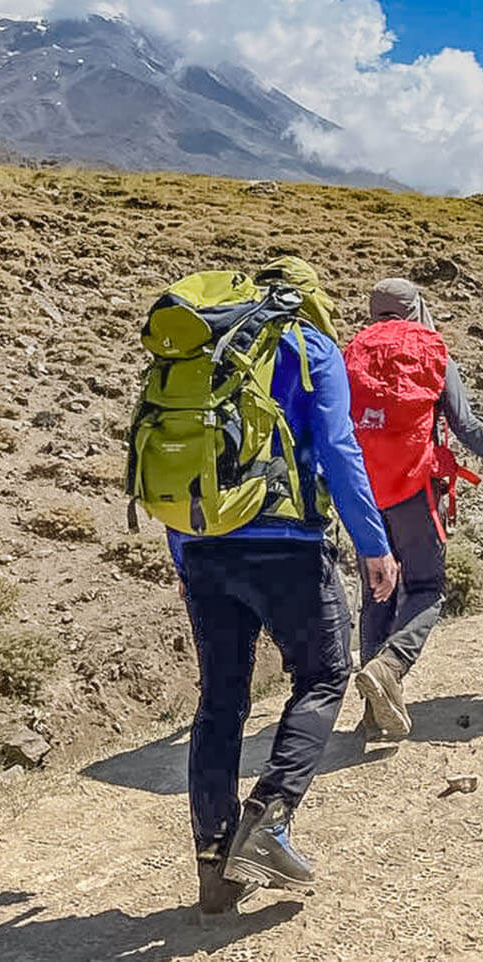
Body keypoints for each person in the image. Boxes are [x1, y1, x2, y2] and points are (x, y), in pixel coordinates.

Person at [163, 270, 400, 911]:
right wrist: (373, 544)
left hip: (205, 547)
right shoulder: (308, 345)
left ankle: (215, 867)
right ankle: (268, 819)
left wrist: (184, 553)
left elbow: (177, 459)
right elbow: (339, 447)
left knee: (220, 702)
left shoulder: (200, 351)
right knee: (324, 675)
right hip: (287, 548)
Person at [346, 279, 483, 743]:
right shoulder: (431, 349)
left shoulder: (352, 352)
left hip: (362, 496)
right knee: (425, 587)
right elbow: (465, 424)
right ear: (415, 307)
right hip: (413, 492)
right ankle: (390, 666)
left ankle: (373, 714)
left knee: (377, 593)